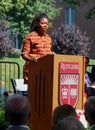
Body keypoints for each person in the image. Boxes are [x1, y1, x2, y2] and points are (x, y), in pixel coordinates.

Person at [21, 13, 52, 84]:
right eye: (42, 23)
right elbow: (24, 54)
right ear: (37, 24)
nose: (45, 25)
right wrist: (31, 59)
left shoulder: (48, 38)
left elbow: (48, 53)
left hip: (46, 71)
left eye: (47, 24)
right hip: (33, 71)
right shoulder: (30, 37)